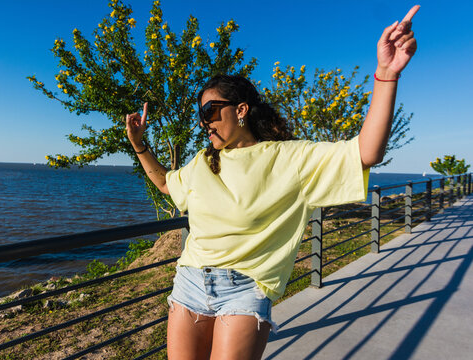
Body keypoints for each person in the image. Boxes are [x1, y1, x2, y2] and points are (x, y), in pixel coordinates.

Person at [126, 5, 419, 359]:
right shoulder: (203, 161)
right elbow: (165, 186)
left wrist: (386, 74)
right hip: (190, 281)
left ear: (241, 109)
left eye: (210, 111)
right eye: (200, 116)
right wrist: (140, 145)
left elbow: (366, 152)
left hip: (245, 289)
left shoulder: (289, 158)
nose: (205, 123)